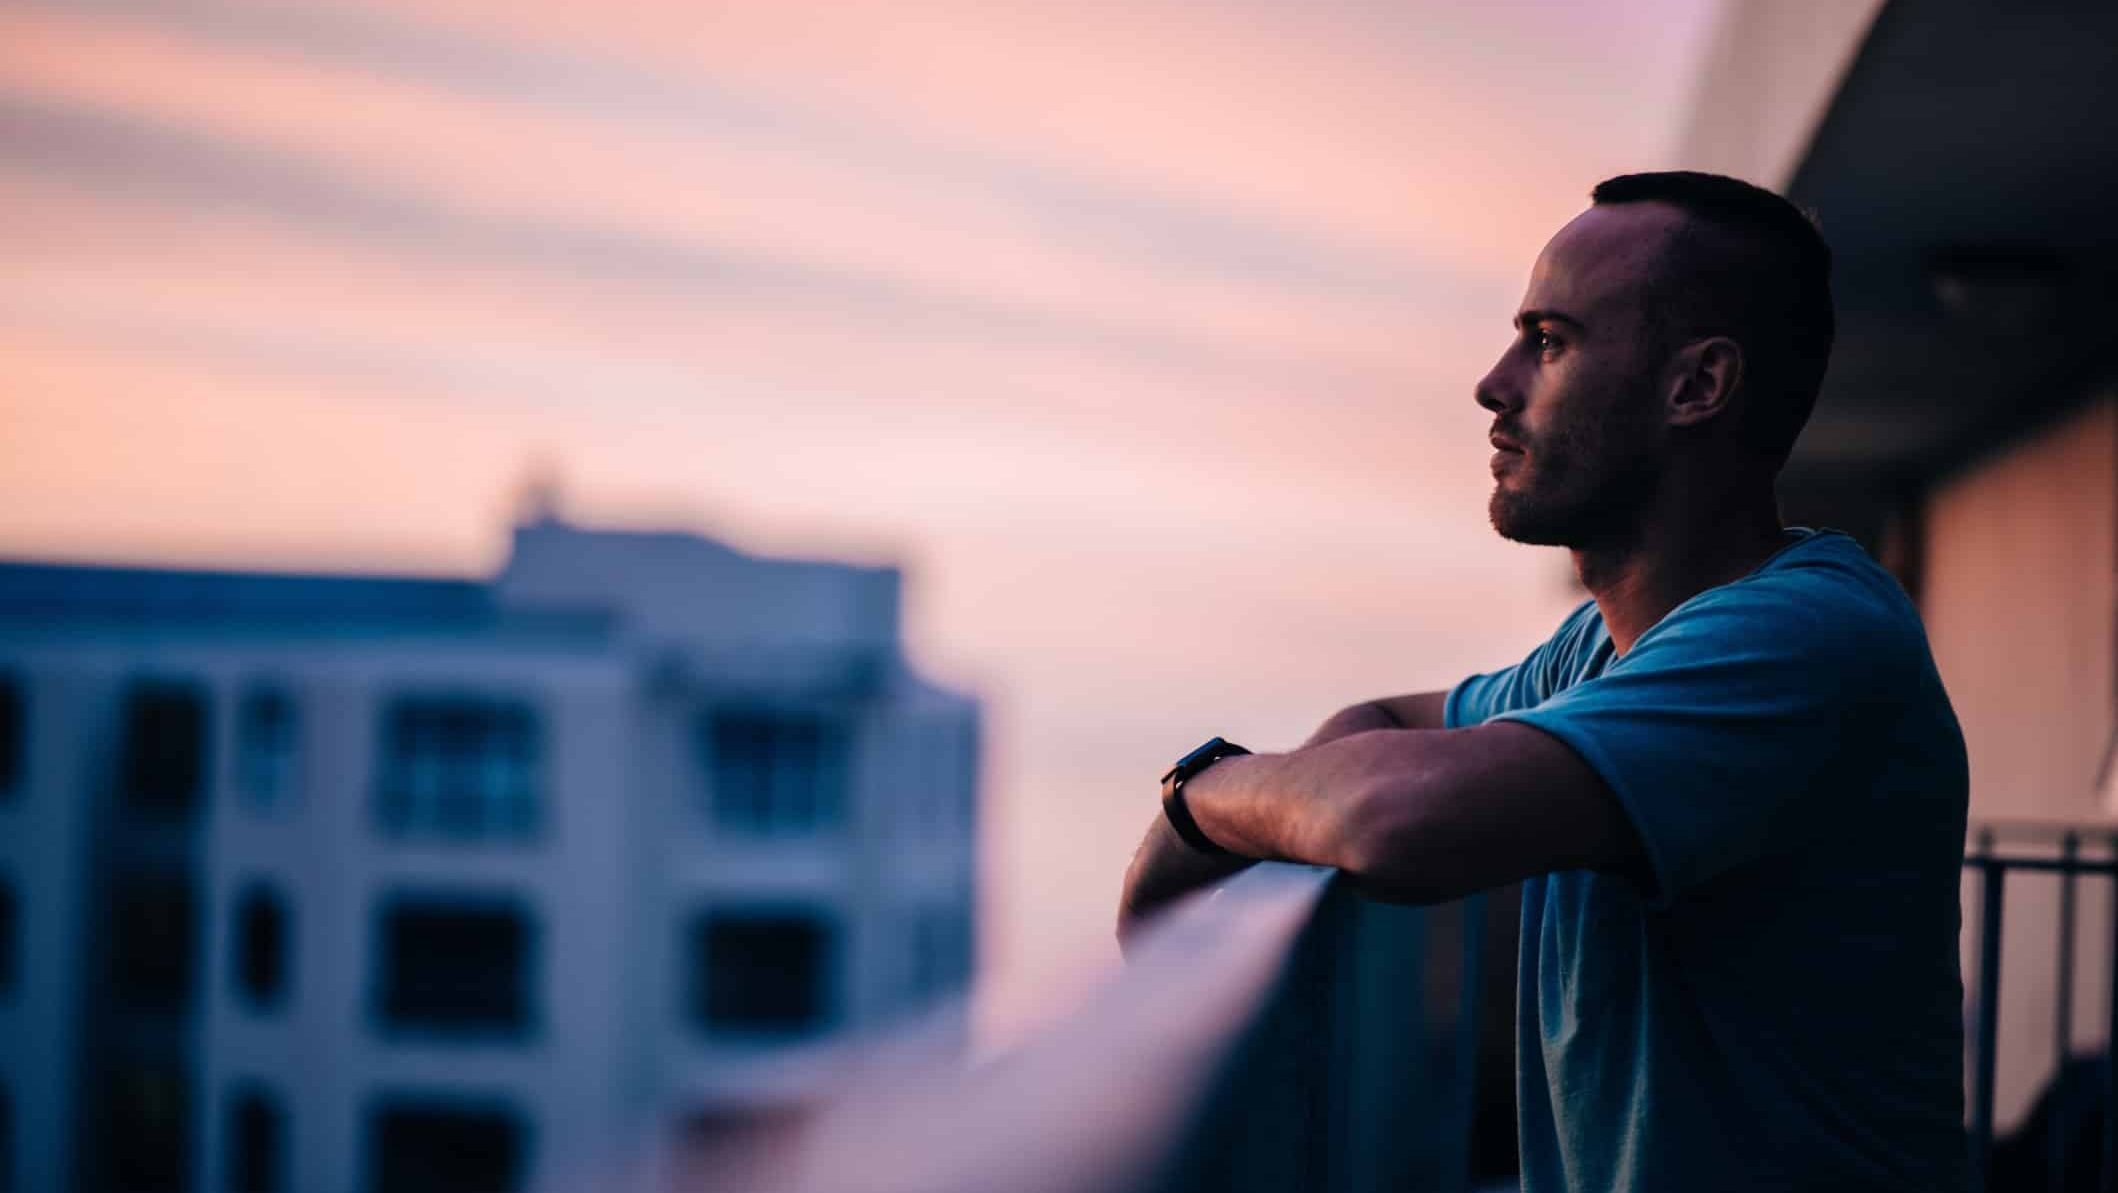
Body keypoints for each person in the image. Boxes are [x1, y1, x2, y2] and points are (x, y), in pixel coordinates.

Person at [1116, 171, 1970, 1192]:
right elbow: (1387, 726)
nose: (1494, 382)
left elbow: (1394, 817)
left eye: (1550, 341)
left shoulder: (1803, 636)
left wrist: (1198, 797)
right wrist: (1299, 796)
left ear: (1697, 386)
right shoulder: (1603, 648)